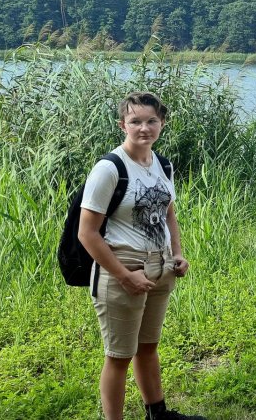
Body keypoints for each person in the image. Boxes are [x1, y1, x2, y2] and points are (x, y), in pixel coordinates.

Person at [78, 92, 204, 420]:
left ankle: (157, 413)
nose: (144, 128)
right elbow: (87, 233)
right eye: (135, 121)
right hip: (123, 271)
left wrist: (177, 254)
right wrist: (124, 275)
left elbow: (169, 213)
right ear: (123, 124)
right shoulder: (109, 168)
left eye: (151, 121)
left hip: (160, 269)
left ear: (162, 123)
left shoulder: (162, 164)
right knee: (119, 356)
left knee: (148, 347)